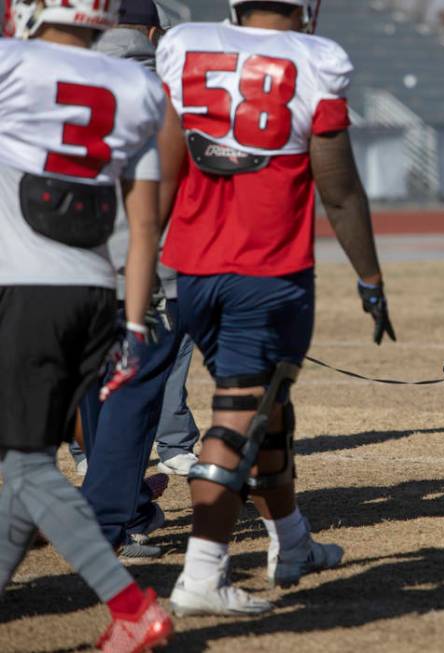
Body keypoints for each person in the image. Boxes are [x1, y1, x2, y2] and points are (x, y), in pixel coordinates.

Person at [156, 0, 395, 616]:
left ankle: (293, 544)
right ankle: (202, 572)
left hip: (193, 267)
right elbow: (338, 188)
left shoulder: (185, 44)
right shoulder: (316, 59)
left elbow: (162, 166)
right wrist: (370, 277)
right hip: (265, 270)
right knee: (240, 411)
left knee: (268, 406)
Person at [0, 1, 172, 650]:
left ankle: (130, 604)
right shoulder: (137, 83)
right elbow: (144, 219)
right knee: (28, 463)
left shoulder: (11, 62)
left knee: (29, 468)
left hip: (28, 288)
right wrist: (131, 323)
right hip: (99, 295)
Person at [74, 0, 199, 562]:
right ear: (153, 32)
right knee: (138, 392)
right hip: (146, 264)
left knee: (93, 390)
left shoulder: (61, 76)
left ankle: (121, 499)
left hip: (64, 264)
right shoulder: (163, 92)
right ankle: (117, 517)